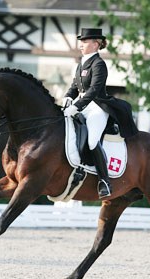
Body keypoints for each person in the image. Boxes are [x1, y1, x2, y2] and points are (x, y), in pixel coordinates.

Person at [63, 28, 138, 199]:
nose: (81, 45)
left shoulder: (99, 64)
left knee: (92, 141)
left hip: (97, 107)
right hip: (81, 104)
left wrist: (77, 106)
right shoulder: (81, 63)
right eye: (81, 41)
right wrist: (68, 97)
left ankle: (104, 181)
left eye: (85, 42)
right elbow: (75, 87)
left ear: (96, 44)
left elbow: (94, 90)